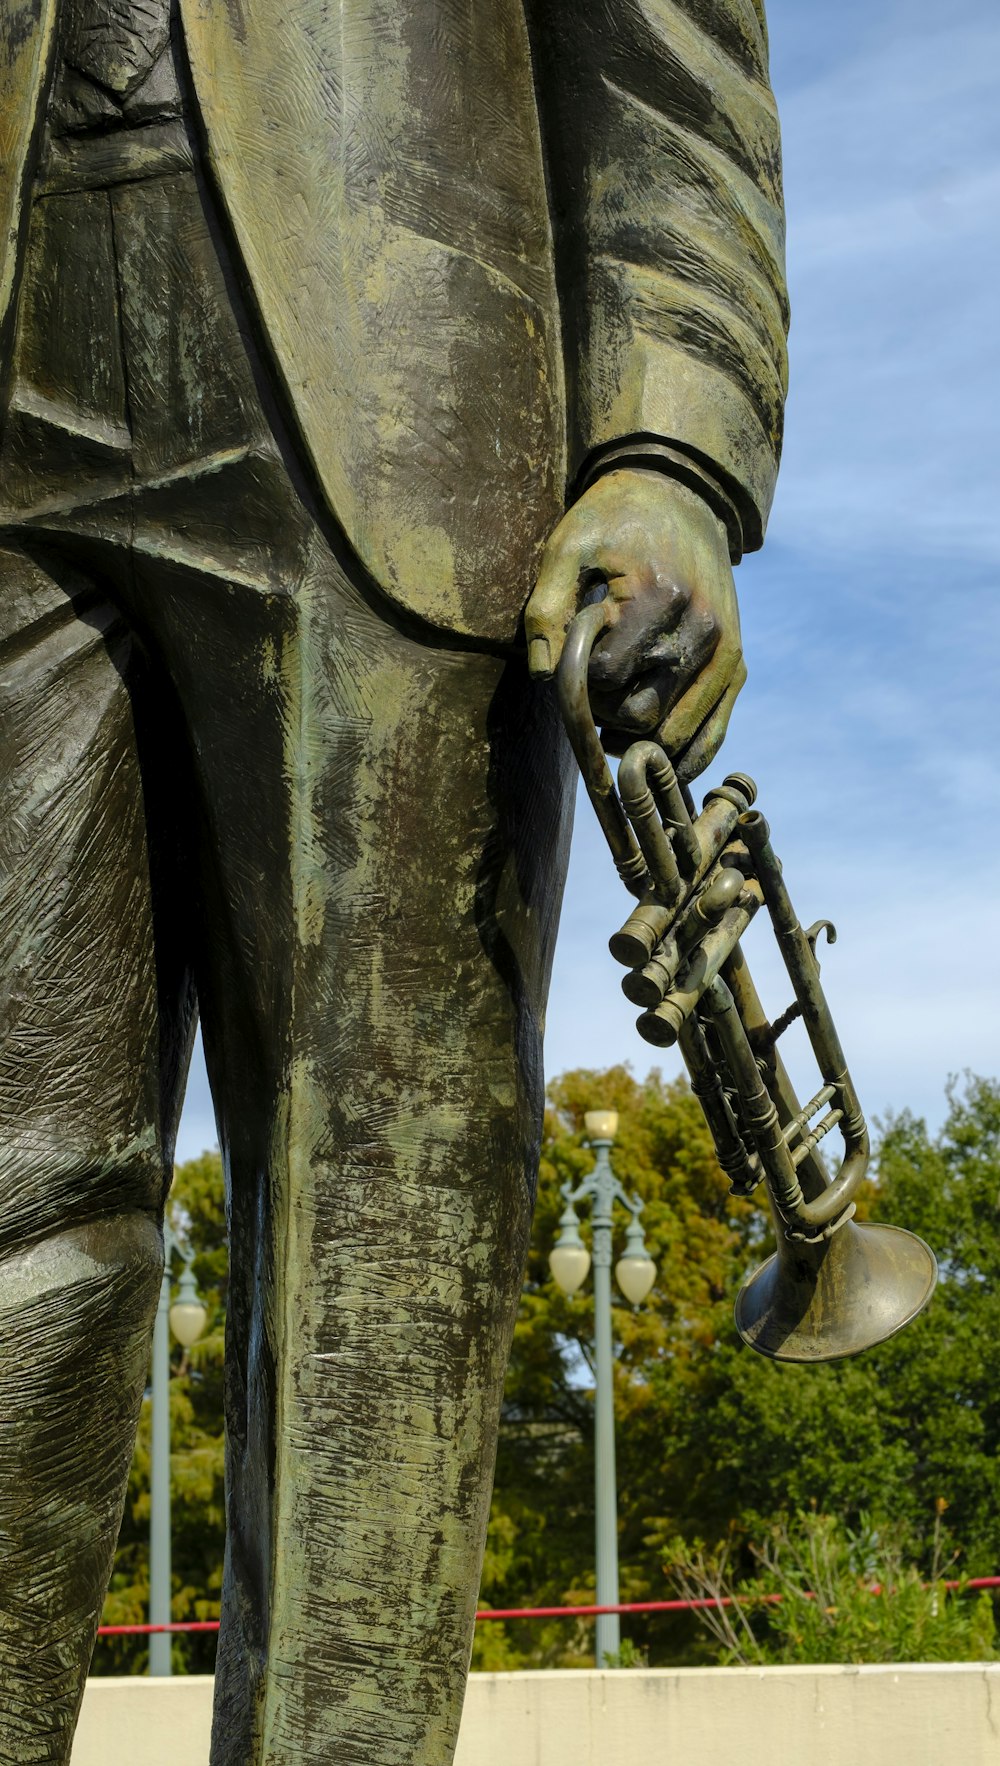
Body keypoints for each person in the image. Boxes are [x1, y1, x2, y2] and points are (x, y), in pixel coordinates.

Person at [0, 1, 787, 1759]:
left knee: (381, 1234)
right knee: (13, 1202)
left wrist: (668, 444)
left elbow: (668, 60)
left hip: (403, 378)